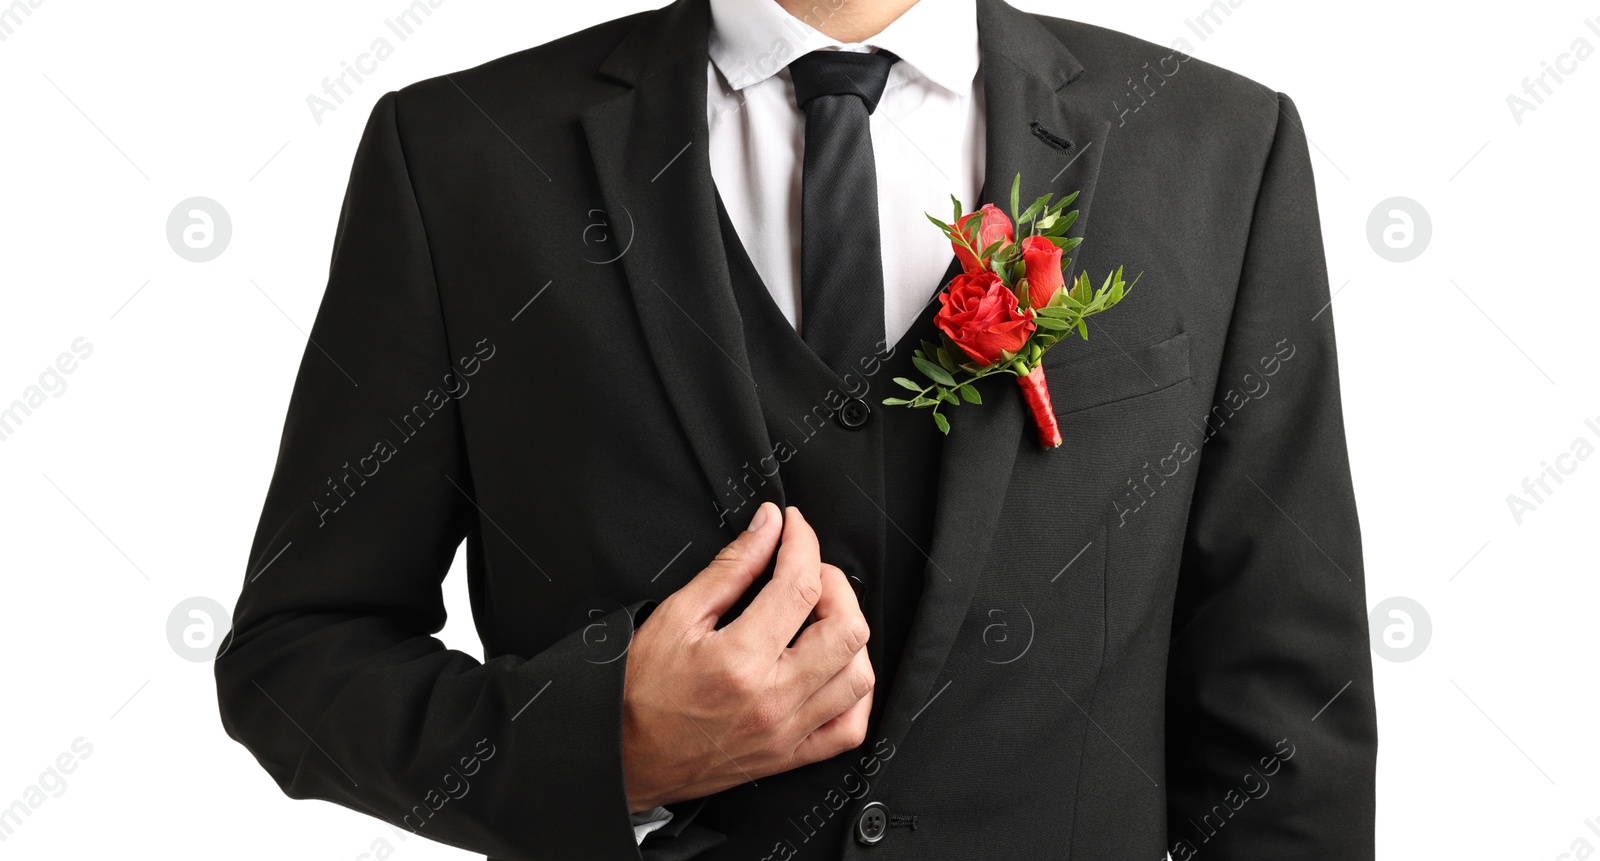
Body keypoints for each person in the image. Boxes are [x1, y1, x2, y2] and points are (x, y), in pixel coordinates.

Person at [214, 0, 1377, 858]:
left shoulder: (1218, 150)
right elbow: (295, 658)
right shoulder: (462, 155)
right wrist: (602, 750)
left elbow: (1286, 719)